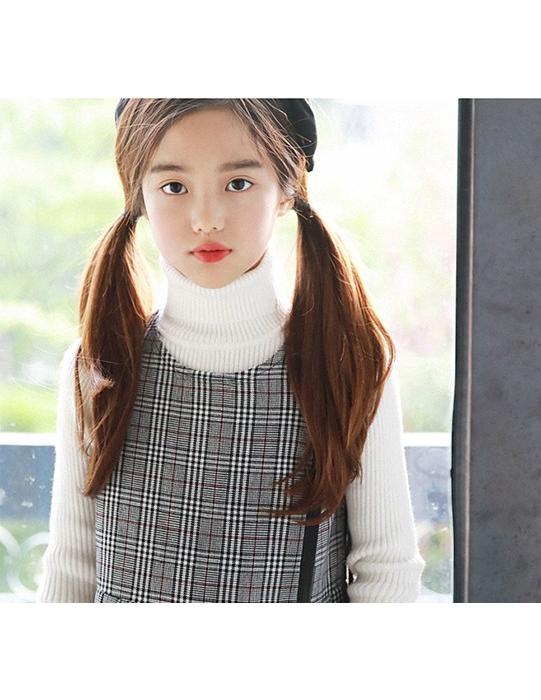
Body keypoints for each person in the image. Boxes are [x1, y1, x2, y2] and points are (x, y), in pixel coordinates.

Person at [35, 98, 426, 603]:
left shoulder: (349, 363)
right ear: (139, 195)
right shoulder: (98, 364)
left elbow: (386, 571)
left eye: (238, 183)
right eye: (174, 187)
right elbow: (72, 567)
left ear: (286, 188)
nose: (206, 219)